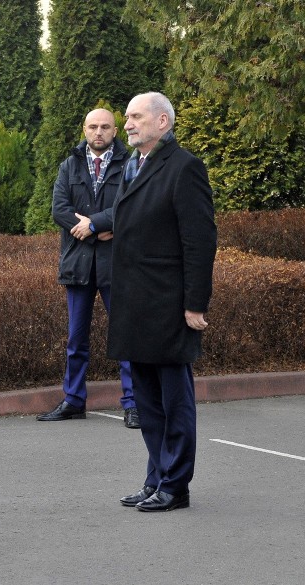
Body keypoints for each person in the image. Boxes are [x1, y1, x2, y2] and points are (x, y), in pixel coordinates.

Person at [108, 92, 217, 511]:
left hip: (169, 305)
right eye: (127, 118)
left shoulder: (185, 167)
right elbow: (129, 219)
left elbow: (200, 240)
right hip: (135, 304)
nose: (128, 124)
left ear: (163, 123)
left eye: (136, 117)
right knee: (148, 402)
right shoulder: (132, 166)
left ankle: (176, 486)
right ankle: (155, 477)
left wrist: (195, 303)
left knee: (174, 401)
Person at [36, 108, 138, 428]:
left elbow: (131, 206)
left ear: (115, 131)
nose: (98, 132)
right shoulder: (70, 165)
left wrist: (93, 224)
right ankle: (73, 400)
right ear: (84, 129)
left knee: (125, 335)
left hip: (116, 263)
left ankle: (134, 404)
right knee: (75, 338)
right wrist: (95, 229)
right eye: (93, 126)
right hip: (78, 262)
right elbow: (60, 209)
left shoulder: (130, 164)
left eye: (105, 127)